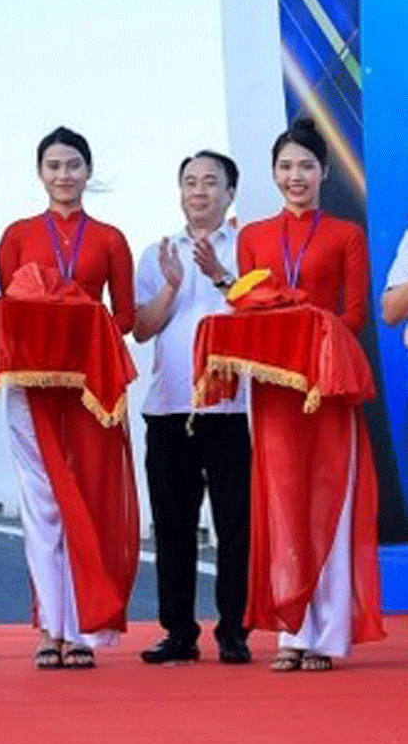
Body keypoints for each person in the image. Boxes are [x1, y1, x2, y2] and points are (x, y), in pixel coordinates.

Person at [234, 117, 384, 671]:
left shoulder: (346, 234)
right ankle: (289, 633)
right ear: (274, 173)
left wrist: (303, 316)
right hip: (275, 390)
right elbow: (244, 309)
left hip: (327, 386)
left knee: (329, 502)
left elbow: (354, 315)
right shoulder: (253, 237)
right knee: (281, 505)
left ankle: (325, 635)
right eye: (285, 167)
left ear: (323, 172)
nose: (295, 176)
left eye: (305, 166)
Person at [0, 126, 137, 669]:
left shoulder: (109, 239)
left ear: (88, 170)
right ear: (40, 172)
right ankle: (51, 626)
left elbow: (123, 314)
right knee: (43, 509)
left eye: (73, 165)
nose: (64, 175)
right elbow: (7, 310)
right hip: (31, 390)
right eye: (53, 166)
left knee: (90, 500)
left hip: (92, 388)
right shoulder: (17, 235)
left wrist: (83, 320)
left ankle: (83, 630)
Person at [133, 151, 252, 665]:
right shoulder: (157, 253)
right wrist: (173, 285)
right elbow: (141, 328)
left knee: (235, 525)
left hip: (230, 410)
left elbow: (259, 312)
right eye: (189, 182)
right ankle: (178, 631)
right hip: (168, 408)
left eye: (211, 182)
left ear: (230, 193)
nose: (199, 191)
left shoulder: (248, 250)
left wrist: (222, 274)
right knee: (174, 526)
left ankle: (234, 631)